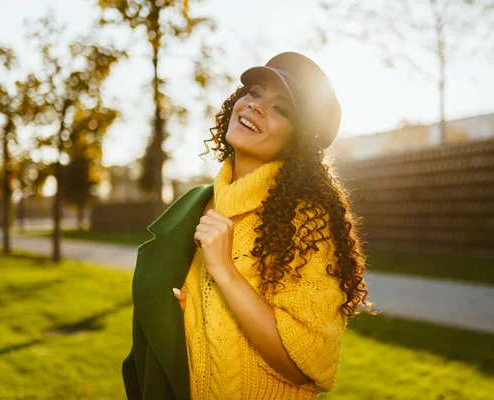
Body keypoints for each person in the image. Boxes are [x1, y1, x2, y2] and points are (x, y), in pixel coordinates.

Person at [122, 51, 371, 400]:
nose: (256, 106)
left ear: (297, 142)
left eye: (281, 108)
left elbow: (305, 364)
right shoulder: (198, 206)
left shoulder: (307, 223)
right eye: (254, 92)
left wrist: (224, 270)